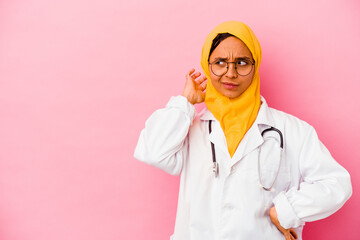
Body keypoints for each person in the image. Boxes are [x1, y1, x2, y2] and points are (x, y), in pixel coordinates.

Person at [134, 21, 352, 240]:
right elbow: (153, 152)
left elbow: (336, 184)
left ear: (255, 66)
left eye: (242, 62)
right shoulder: (189, 129)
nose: (231, 73)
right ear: (206, 64)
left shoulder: (292, 131)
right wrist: (184, 103)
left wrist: (288, 210)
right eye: (220, 62)